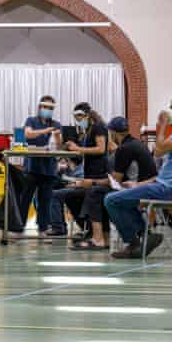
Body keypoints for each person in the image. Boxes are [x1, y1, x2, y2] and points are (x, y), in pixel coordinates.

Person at [104, 96, 172, 259]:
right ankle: (143, 236)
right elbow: (164, 174)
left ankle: (135, 241)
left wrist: (163, 124)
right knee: (121, 198)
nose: (168, 111)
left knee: (111, 200)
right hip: (164, 184)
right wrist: (139, 184)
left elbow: (158, 150)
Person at [71, 116, 157, 251]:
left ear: (112, 133)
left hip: (139, 188)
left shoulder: (124, 149)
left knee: (96, 193)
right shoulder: (135, 143)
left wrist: (91, 181)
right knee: (99, 191)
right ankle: (107, 237)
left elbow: (115, 181)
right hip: (146, 185)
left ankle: (100, 239)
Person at [47, 103, 108, 240]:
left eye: (80, 116)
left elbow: (101, 149)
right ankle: (86, 230)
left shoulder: (98, 128)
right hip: (89, 176)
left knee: (61, 195)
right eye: (75, 117)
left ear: (87, 114)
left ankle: (92, 234)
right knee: (67, 195)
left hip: (97, 178)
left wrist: (78, 149)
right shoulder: (89, 131)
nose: (78, 120)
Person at [17, 95, 61, 237]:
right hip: (32, 167)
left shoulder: (56, 124)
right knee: (25, 199)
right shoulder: (31, 120)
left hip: (48, 168)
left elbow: (59, 145)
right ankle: (18, 229)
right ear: (40, 107)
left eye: (51, 108)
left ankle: (43, 229)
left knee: (45, 201)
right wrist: (45, 131)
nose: (48, 110)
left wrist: (58, 137)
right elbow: (28, 134)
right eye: (45, 107)